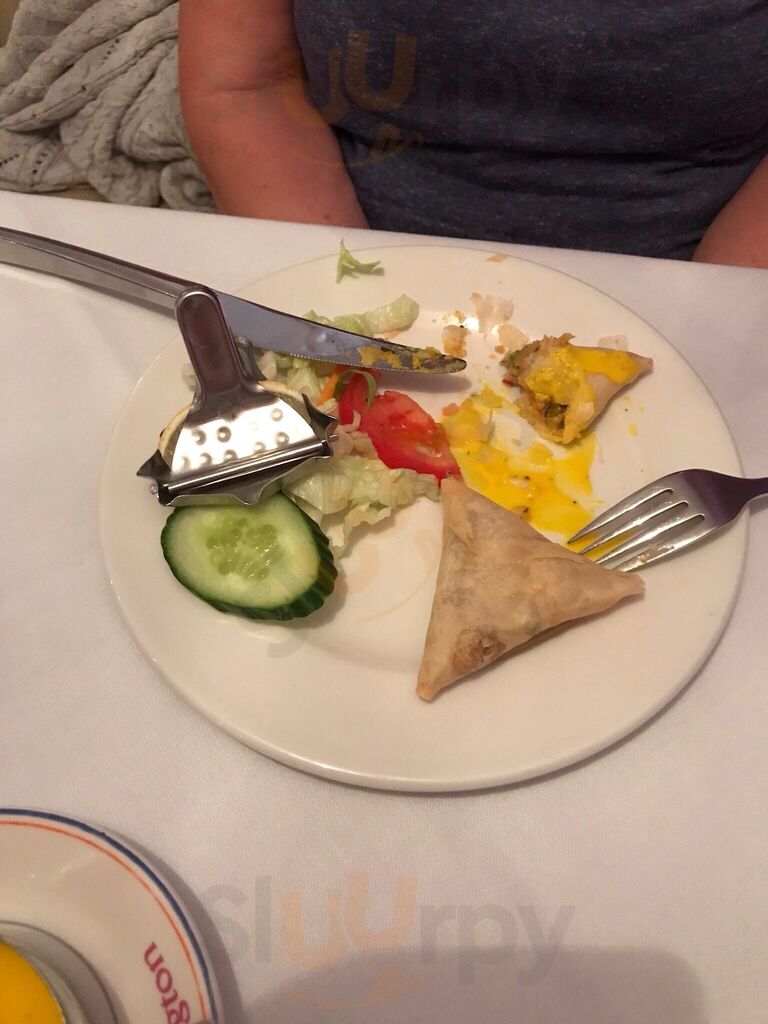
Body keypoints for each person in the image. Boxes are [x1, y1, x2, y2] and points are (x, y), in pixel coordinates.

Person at [178, 1, 768, 268]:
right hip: (355, 241)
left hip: (702, 263)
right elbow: (246, 83)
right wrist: (337, 300)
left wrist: (711, 307)